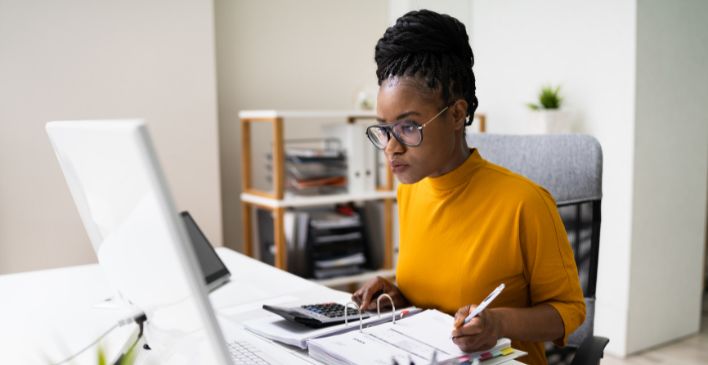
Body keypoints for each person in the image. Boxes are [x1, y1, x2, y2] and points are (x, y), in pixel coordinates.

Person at [351, 9, 585, 365]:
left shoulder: (525, 203)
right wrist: (398, 294)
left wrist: (498, 322)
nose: (391, 147)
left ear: (457, 115)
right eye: (384, 129)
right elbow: (437, 297)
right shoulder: (410, 189)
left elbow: (570, 312)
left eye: (409, 128)